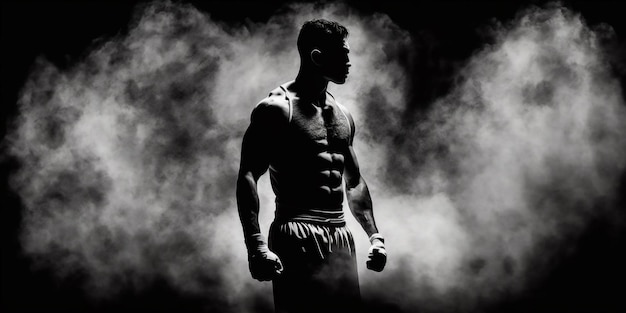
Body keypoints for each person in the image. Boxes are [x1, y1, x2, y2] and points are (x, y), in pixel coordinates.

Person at [236, 19, 387, 313]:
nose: (348, 62)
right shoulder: (276, 110)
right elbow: (249, 174)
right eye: (342, 55)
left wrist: (374, 236)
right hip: (296, 233)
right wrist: (255, 246)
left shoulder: (343, 116)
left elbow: (353, 182)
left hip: (340, 234)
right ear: (317, 57)